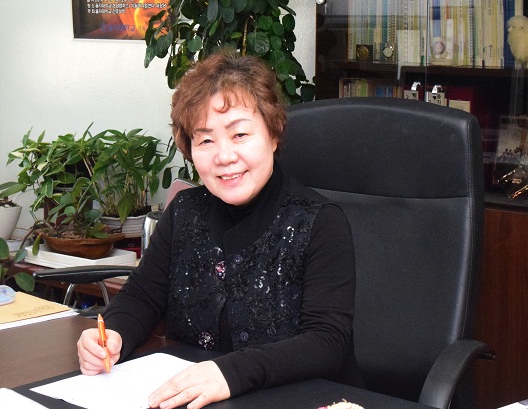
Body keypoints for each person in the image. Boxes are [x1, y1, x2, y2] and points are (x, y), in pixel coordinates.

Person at [77, 50, 361, 409]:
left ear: (273, 135)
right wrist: (112, 334)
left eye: (240, 134)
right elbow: (142, 297)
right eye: (206, 140)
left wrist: (230, 372)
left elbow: (327, 341)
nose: (224, 156)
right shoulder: (185, 211)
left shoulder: (319, 221)